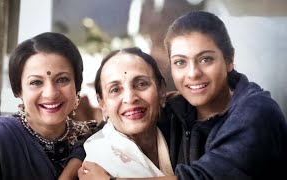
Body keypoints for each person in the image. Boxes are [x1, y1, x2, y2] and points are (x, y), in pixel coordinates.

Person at [78, 11, 287, 180]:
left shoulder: (256, 112)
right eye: (180, 62)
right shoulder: (178, 107)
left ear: (230, 59)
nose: (193, 73)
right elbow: (105, 130)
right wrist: (76, 161)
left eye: (205, 59)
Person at [0, 32, 98, 180]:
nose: (50, 94)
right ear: (19, 91)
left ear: (77, 85)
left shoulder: (90, 139)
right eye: (36, 82)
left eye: (62, 79)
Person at [83, 47, 174, 178]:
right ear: (102, 103)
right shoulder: (97, 163)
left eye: (141, 84)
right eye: (115, 90)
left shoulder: (184, 132)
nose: (130, 98)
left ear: (161, 90)